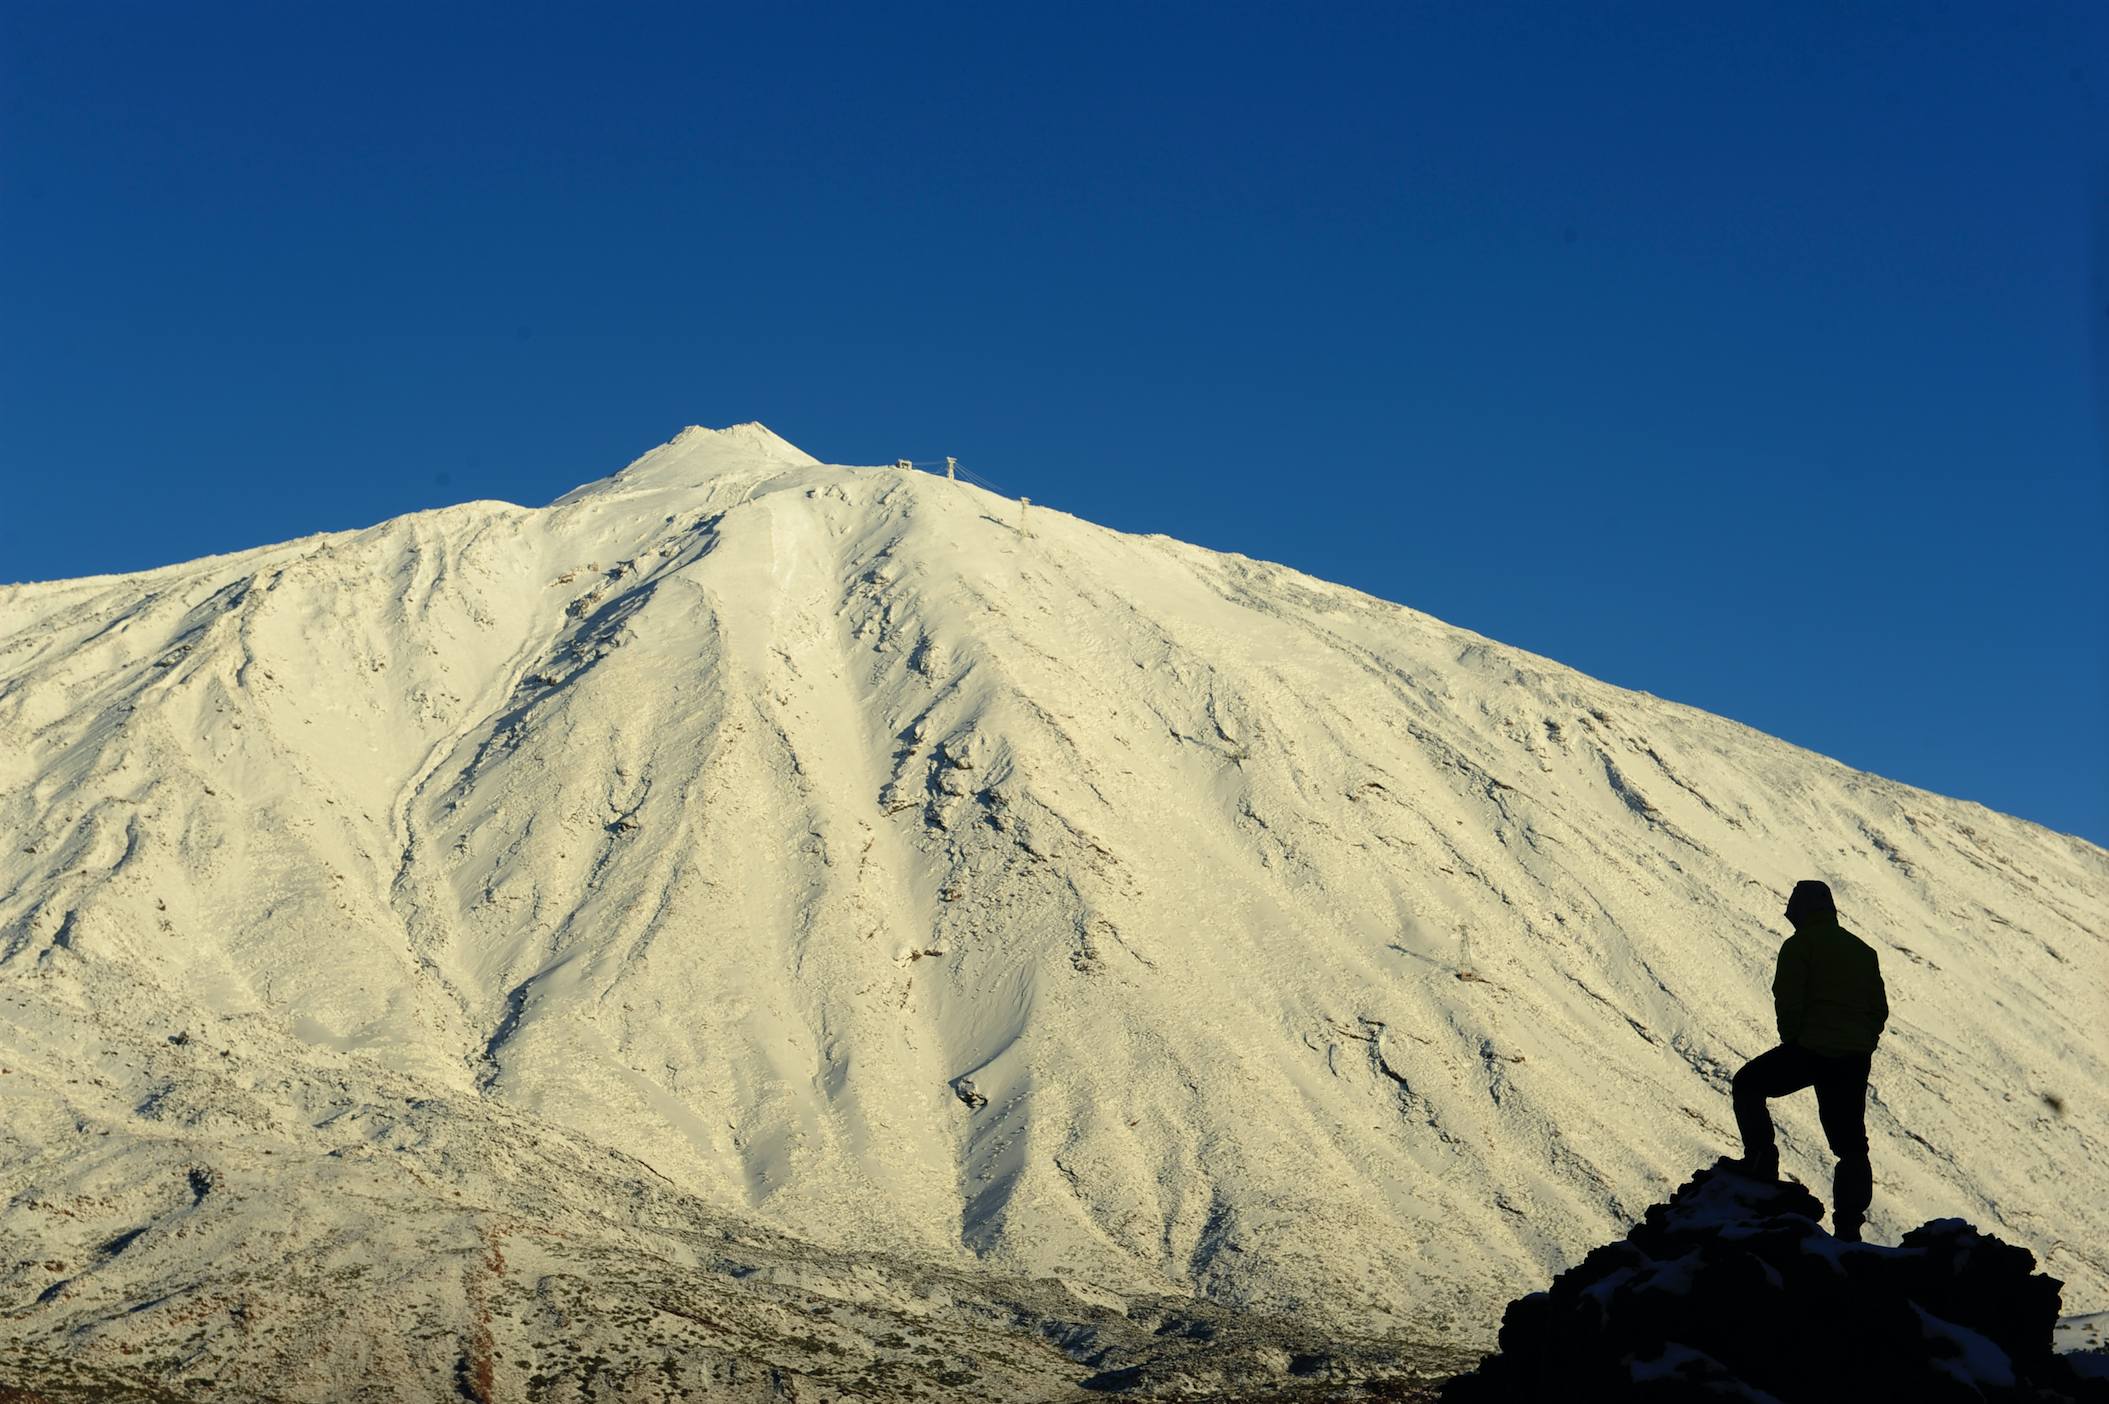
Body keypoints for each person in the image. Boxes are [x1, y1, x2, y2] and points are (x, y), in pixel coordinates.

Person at [1726, 879, 1889, 1241]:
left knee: (1748, 1084)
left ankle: (1760, 1162)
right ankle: (1849, 1226)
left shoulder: (1800, 945)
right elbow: (1879, 1008)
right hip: (1854, 1058)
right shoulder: (1863, 950)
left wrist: (1794, 1040)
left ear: (1800, 910)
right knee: (1851, 1145)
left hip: (1812, 1048)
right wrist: (1863, 1042)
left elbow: (1789, 997)